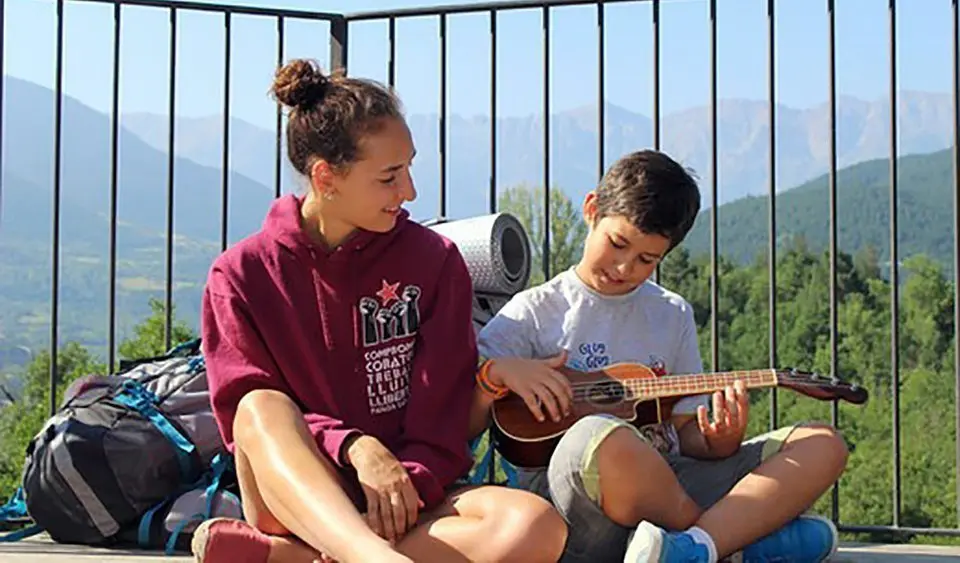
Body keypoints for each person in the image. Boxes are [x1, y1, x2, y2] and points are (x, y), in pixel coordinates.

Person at [194, 58, 568, 563]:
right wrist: (355, 448)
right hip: (297, 497)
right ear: (326, 177)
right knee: (261, 408)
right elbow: (248, 428)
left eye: (410, 167)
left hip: (408, 497)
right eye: (390, 176)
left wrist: (401, 489)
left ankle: (308, 558)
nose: (409, 192)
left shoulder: (435, 261)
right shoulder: (239, 275)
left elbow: (443, 417)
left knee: (536, 526)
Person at [469, 150, 850, 563]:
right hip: (576, 508)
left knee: (822, 443)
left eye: (647, 260)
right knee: (601, 435)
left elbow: (685, 434)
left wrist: (717, 442)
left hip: (670, 480)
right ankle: (733, 544)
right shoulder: (534, 312)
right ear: (592, 209)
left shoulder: (672, 313)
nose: (623, 266)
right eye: (617, 244)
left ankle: (692, 549)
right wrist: (497, 374)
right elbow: (463, 417)